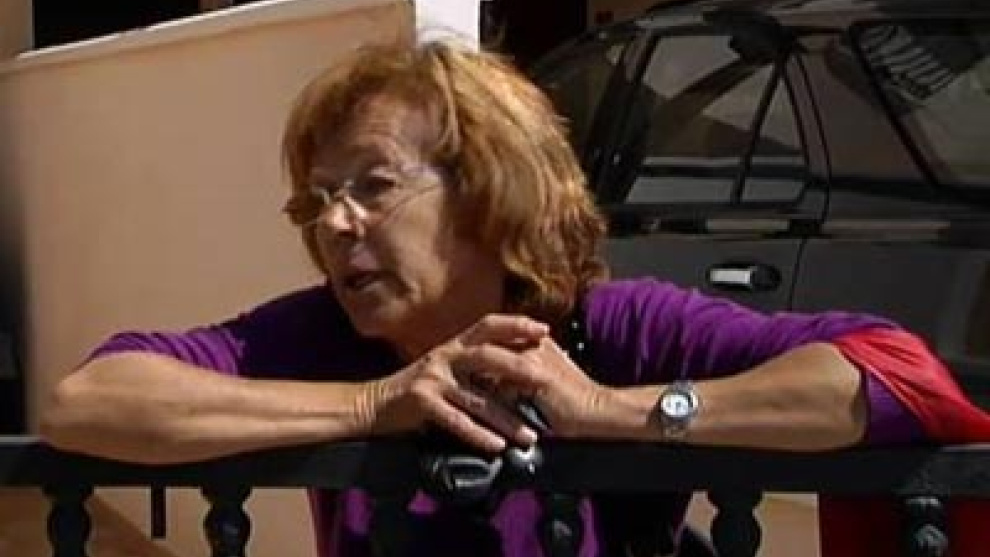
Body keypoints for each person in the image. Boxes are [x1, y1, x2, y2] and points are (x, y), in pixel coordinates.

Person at [40, 38, 990, 557]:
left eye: (372, 186)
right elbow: (89, 399)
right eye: (317, 200)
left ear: (488, 190)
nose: (333, 224)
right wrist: (374, 403)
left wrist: (611, 410)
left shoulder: (612, 325)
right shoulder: (324, 335)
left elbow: (891, 373)